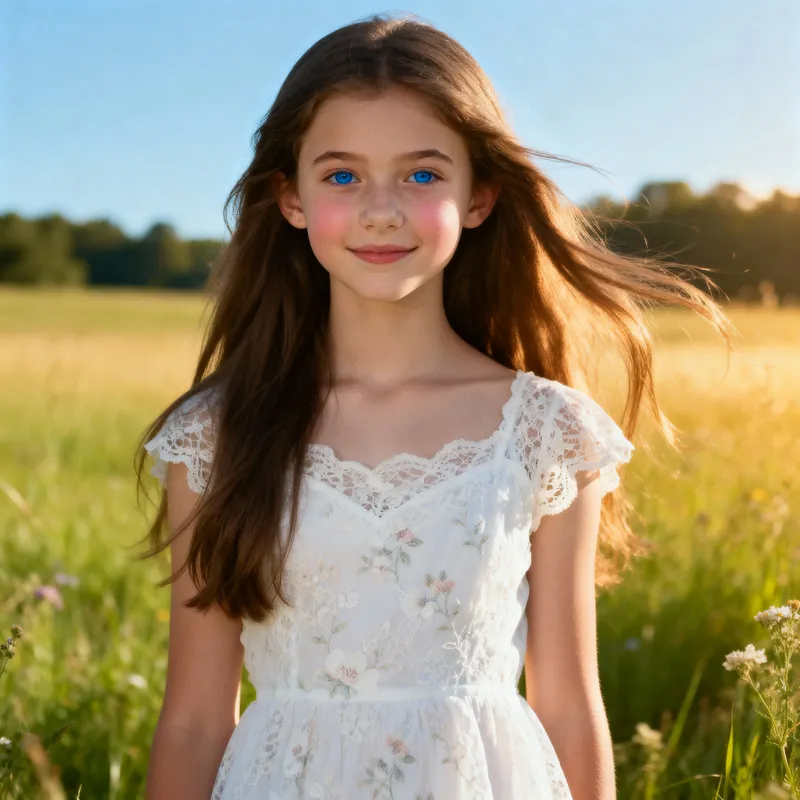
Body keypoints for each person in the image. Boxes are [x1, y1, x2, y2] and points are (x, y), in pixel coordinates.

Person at [137, 12, 731, 800]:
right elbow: (193, 721)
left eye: (421, 175)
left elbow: (567, 704)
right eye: (342, 176)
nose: (381, 209)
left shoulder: (546, 431)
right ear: (290, 198)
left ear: (479, 196)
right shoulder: (215, 435)